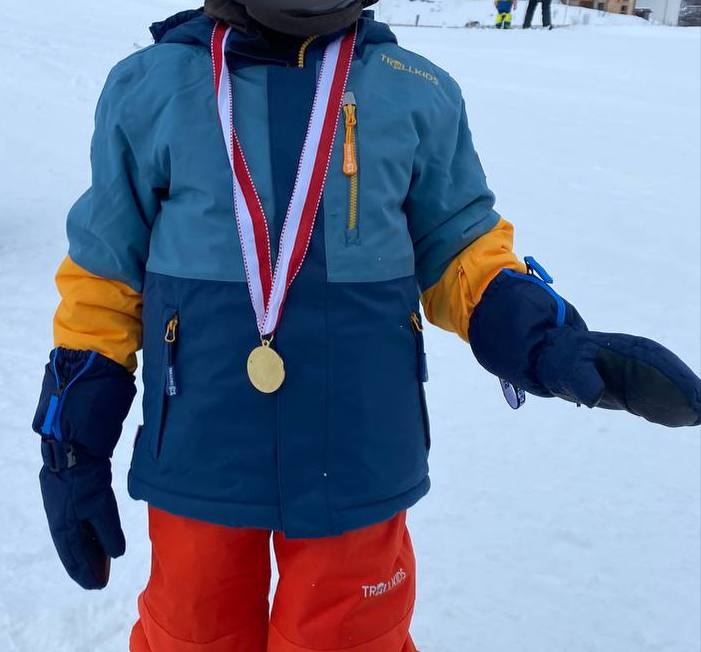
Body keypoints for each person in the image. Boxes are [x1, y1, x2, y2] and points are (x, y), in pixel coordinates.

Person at [31, 1, 701, 650]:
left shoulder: (413, 91)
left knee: (347, 640)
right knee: (193, 635)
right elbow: (105, 273)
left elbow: (460, 249)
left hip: (356, 449)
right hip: (201, 445)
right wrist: (72, 441)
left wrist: (542, 338)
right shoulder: (153, 88)